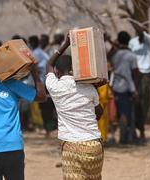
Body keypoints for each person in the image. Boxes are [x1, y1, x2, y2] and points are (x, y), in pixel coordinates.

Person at [45, 34, 104, 179]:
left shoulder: (54, 87)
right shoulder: (89, 88)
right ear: (73, 69)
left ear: (57, 72)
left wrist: (66, 44)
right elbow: (98, 114)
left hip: (72, 146)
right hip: (94, 145)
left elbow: (48, 65)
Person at [129, 25, 150, 142]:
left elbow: (142, 32)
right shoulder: (132, 42)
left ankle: (142, 130)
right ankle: (134, 130)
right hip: (134, 74)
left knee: (145, 103)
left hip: (146, 75)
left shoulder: (149, 40)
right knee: (134, 103)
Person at [112, 31, 138, 144]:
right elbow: (135, 72)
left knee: (119, 112)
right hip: (127, 87)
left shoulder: (115, 55)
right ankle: (124, 138)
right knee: (125, 113)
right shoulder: (131, 56)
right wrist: (135, 89)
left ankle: (125, 136)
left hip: (116, 86)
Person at [29, 35, 57, 136]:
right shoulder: (42, 52)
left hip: (41, 83)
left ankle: (48, 128)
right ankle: (48, 128)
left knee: (45, 107)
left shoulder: (36, 53)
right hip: (46, 81)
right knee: (47, 107)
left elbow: (35, 66)